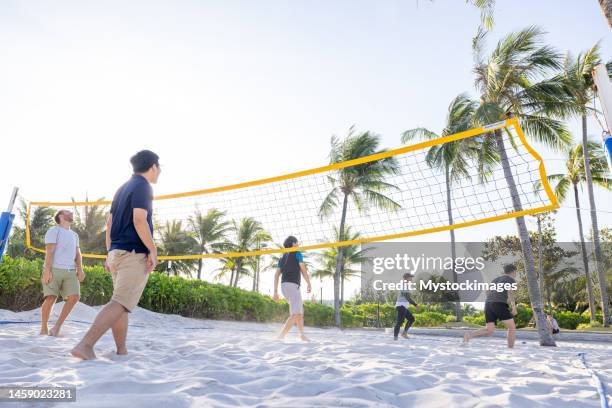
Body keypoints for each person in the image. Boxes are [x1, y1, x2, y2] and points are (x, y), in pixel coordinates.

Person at [71, 150, 161, 360]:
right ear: (153, 166)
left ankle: (121, 350)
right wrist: (153, 250)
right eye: (160, 168)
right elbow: (139, 220)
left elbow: (109, 223)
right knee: (120, 302)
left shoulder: (123, 188)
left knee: (121, 304)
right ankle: (85, 345)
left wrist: (109, 251)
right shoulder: (143, 186)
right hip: (132, 252)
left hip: (117, 251)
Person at [40, 209, 85, 336]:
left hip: (70, 270)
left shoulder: (74, 235)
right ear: (60, 216)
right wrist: (47, 271)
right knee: (50, 298)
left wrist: (80, 268)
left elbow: (78, 253)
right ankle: (44, 328)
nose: (71, 213)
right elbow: (50, 252)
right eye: (67, 212)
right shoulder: (53, 231)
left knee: (75, 297)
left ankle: (57, 327)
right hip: (54, 269)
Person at [463, 263, 518, 348]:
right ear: (513, 272)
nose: (515, 275)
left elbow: (487, 291)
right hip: (499, 304)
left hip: (488, 304)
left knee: (489, 330)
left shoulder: (496, 279)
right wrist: (514, 308)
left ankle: (469, 335)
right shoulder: (510, 279)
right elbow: (510, 293)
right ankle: (511, 349)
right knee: (512, 327)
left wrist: (493, 298)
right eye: (515, 273)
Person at [273, 236, 312, 341]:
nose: (298, 245)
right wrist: (309, 283)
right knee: (295, 314)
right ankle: (280, 336)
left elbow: (276, 275)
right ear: (294, 244)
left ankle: (302, 335)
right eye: (297, 243)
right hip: (292, 286)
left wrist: (275, 292)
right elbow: (303, 270)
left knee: (299, 313)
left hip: (284, 286)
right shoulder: (297, 253)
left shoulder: (282, 257)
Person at [394, 273, 420, 340]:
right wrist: (415, 305)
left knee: (411, 319)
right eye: (410, 277)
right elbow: (407, 297)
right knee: (399, 322)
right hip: (401, 306)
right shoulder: (404, 285)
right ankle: (395, 337)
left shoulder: (406, 285)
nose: (411, 279)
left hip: (403, 306)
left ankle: (404, 333)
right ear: (407, 278)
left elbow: (407, 297)